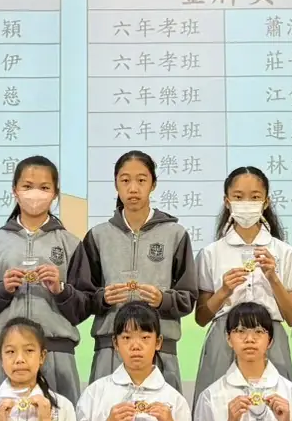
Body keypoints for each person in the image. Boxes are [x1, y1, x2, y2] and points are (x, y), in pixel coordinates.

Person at [69, 151, 198, 391]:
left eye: (141, 180)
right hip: (110, 348)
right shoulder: (98, 235)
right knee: (105, 412)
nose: (133, 188)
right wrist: (102, 298)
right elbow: (82, 296)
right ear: (116, 184)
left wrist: (163, 299)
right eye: (125, 180)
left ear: (153, 184)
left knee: (162, 414)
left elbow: (189, 296)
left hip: (160, 349)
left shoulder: (175, 234)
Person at [0, 156, 88, 403]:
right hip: (5, 353)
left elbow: (85, 306)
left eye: (44, 187)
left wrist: (61, 289)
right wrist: (3, 290)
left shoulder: (70, 243)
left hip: (57, 352)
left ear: (55, 194)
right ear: (15, 190)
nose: (35, 193)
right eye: (27, 186)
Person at [193, 167, 292, 405]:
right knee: (218, 410)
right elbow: (201, 318)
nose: (246, 204)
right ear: (227, 201)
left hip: (271, 340)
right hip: (224, 341)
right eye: (238, 197)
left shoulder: (284, 252)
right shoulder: (211, 253)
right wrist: (224, 291)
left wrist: (273, 278)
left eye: (254, 197)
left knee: (276, 410)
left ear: (266, 202)